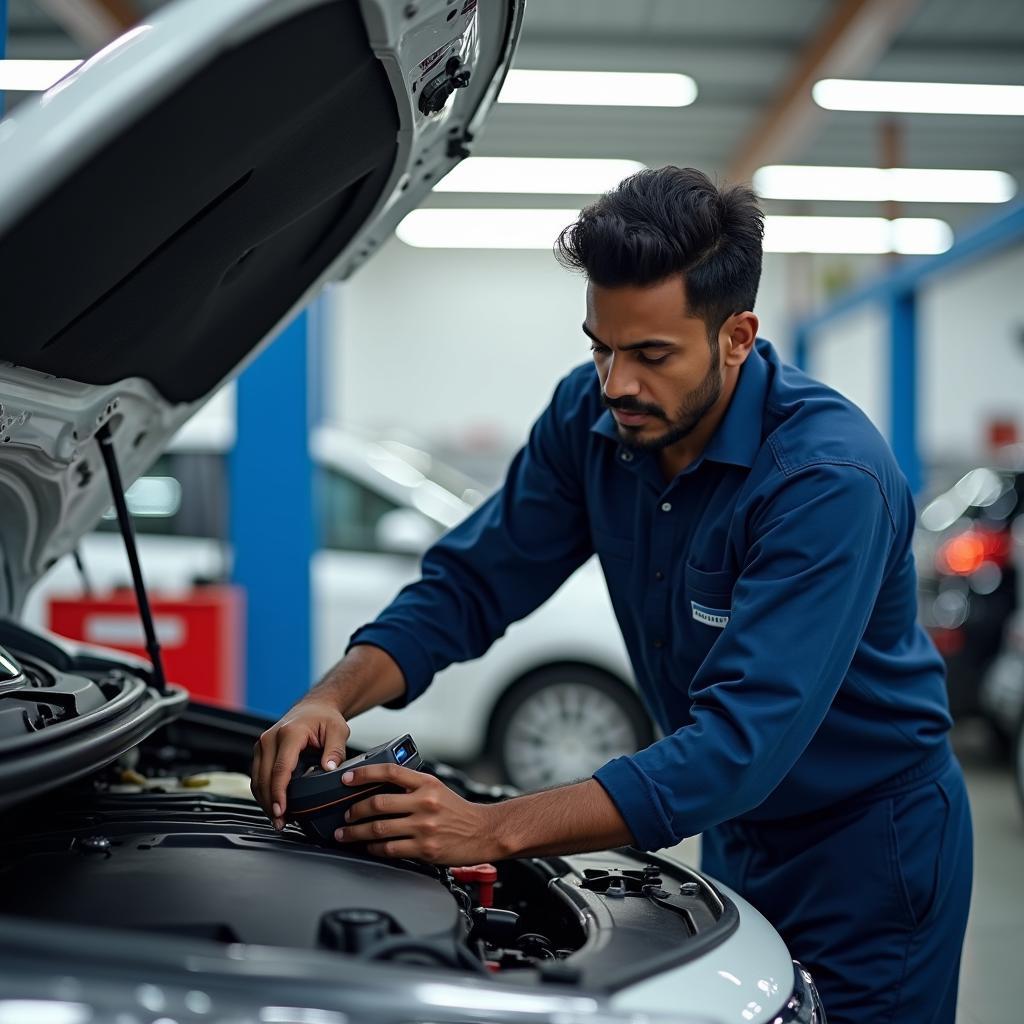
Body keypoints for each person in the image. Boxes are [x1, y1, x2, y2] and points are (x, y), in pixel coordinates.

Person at [251, 166, 972, 1023]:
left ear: (737, 335)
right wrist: (330, 696)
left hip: (870, 849)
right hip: (741, 830)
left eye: (652, 355)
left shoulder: (825, 481)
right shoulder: (590, 420)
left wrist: (488, 827)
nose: (617, 382)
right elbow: (472, 583)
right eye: (601, 345)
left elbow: (738, 745)